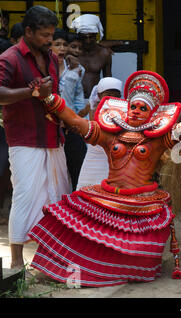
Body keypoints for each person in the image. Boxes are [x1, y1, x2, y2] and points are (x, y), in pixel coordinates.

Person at [28, 69, 181, 286]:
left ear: (152, 114)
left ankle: (115, 268)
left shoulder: (157, 141)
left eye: (142, 108)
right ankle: (85, 268)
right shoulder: (110, 134)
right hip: (109, 197)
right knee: (63, 220)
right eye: (133, 106)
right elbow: (75, 121)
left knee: (143, 248)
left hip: (141, 202)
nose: (135, 111)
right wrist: (48, 97)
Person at [0, 6, 72, 269]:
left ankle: (51, 259)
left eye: (51, 35)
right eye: (44, 35)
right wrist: (31, 93)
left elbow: (52, 92)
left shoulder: (51, 57)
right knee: (26, 196)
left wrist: (63, 116)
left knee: (57, 195)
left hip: (53, 136)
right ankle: (17, 262)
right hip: (24, 138)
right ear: (28, 31)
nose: (49, 41)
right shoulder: (9, 57)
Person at [51, 29, 88, 191]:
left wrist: (79, 116)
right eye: (57, 44)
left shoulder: (74, 70)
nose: (62, 48)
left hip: (72, 126)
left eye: (65, 44)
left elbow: (78, 98)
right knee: (55, 175)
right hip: (51, 127)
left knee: (78, 169)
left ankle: (76, 207)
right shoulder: (43, 68)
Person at [76, 77, 122, 190]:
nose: (112, 98)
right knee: (89, 183)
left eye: (116, 95)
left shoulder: (122, 110)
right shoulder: (94, 107)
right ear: (99, 94)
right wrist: (92, 107)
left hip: (113, 154)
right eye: (108, 94)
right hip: (94, 153)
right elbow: (89, 123)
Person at [71, 14, 112, 98]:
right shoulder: (72, 53)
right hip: (72, 98)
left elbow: (108, 81)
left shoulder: (104, 54)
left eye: (91, 37)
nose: (88, 41)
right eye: (84, 37)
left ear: (96, 35)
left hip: (94, 99)